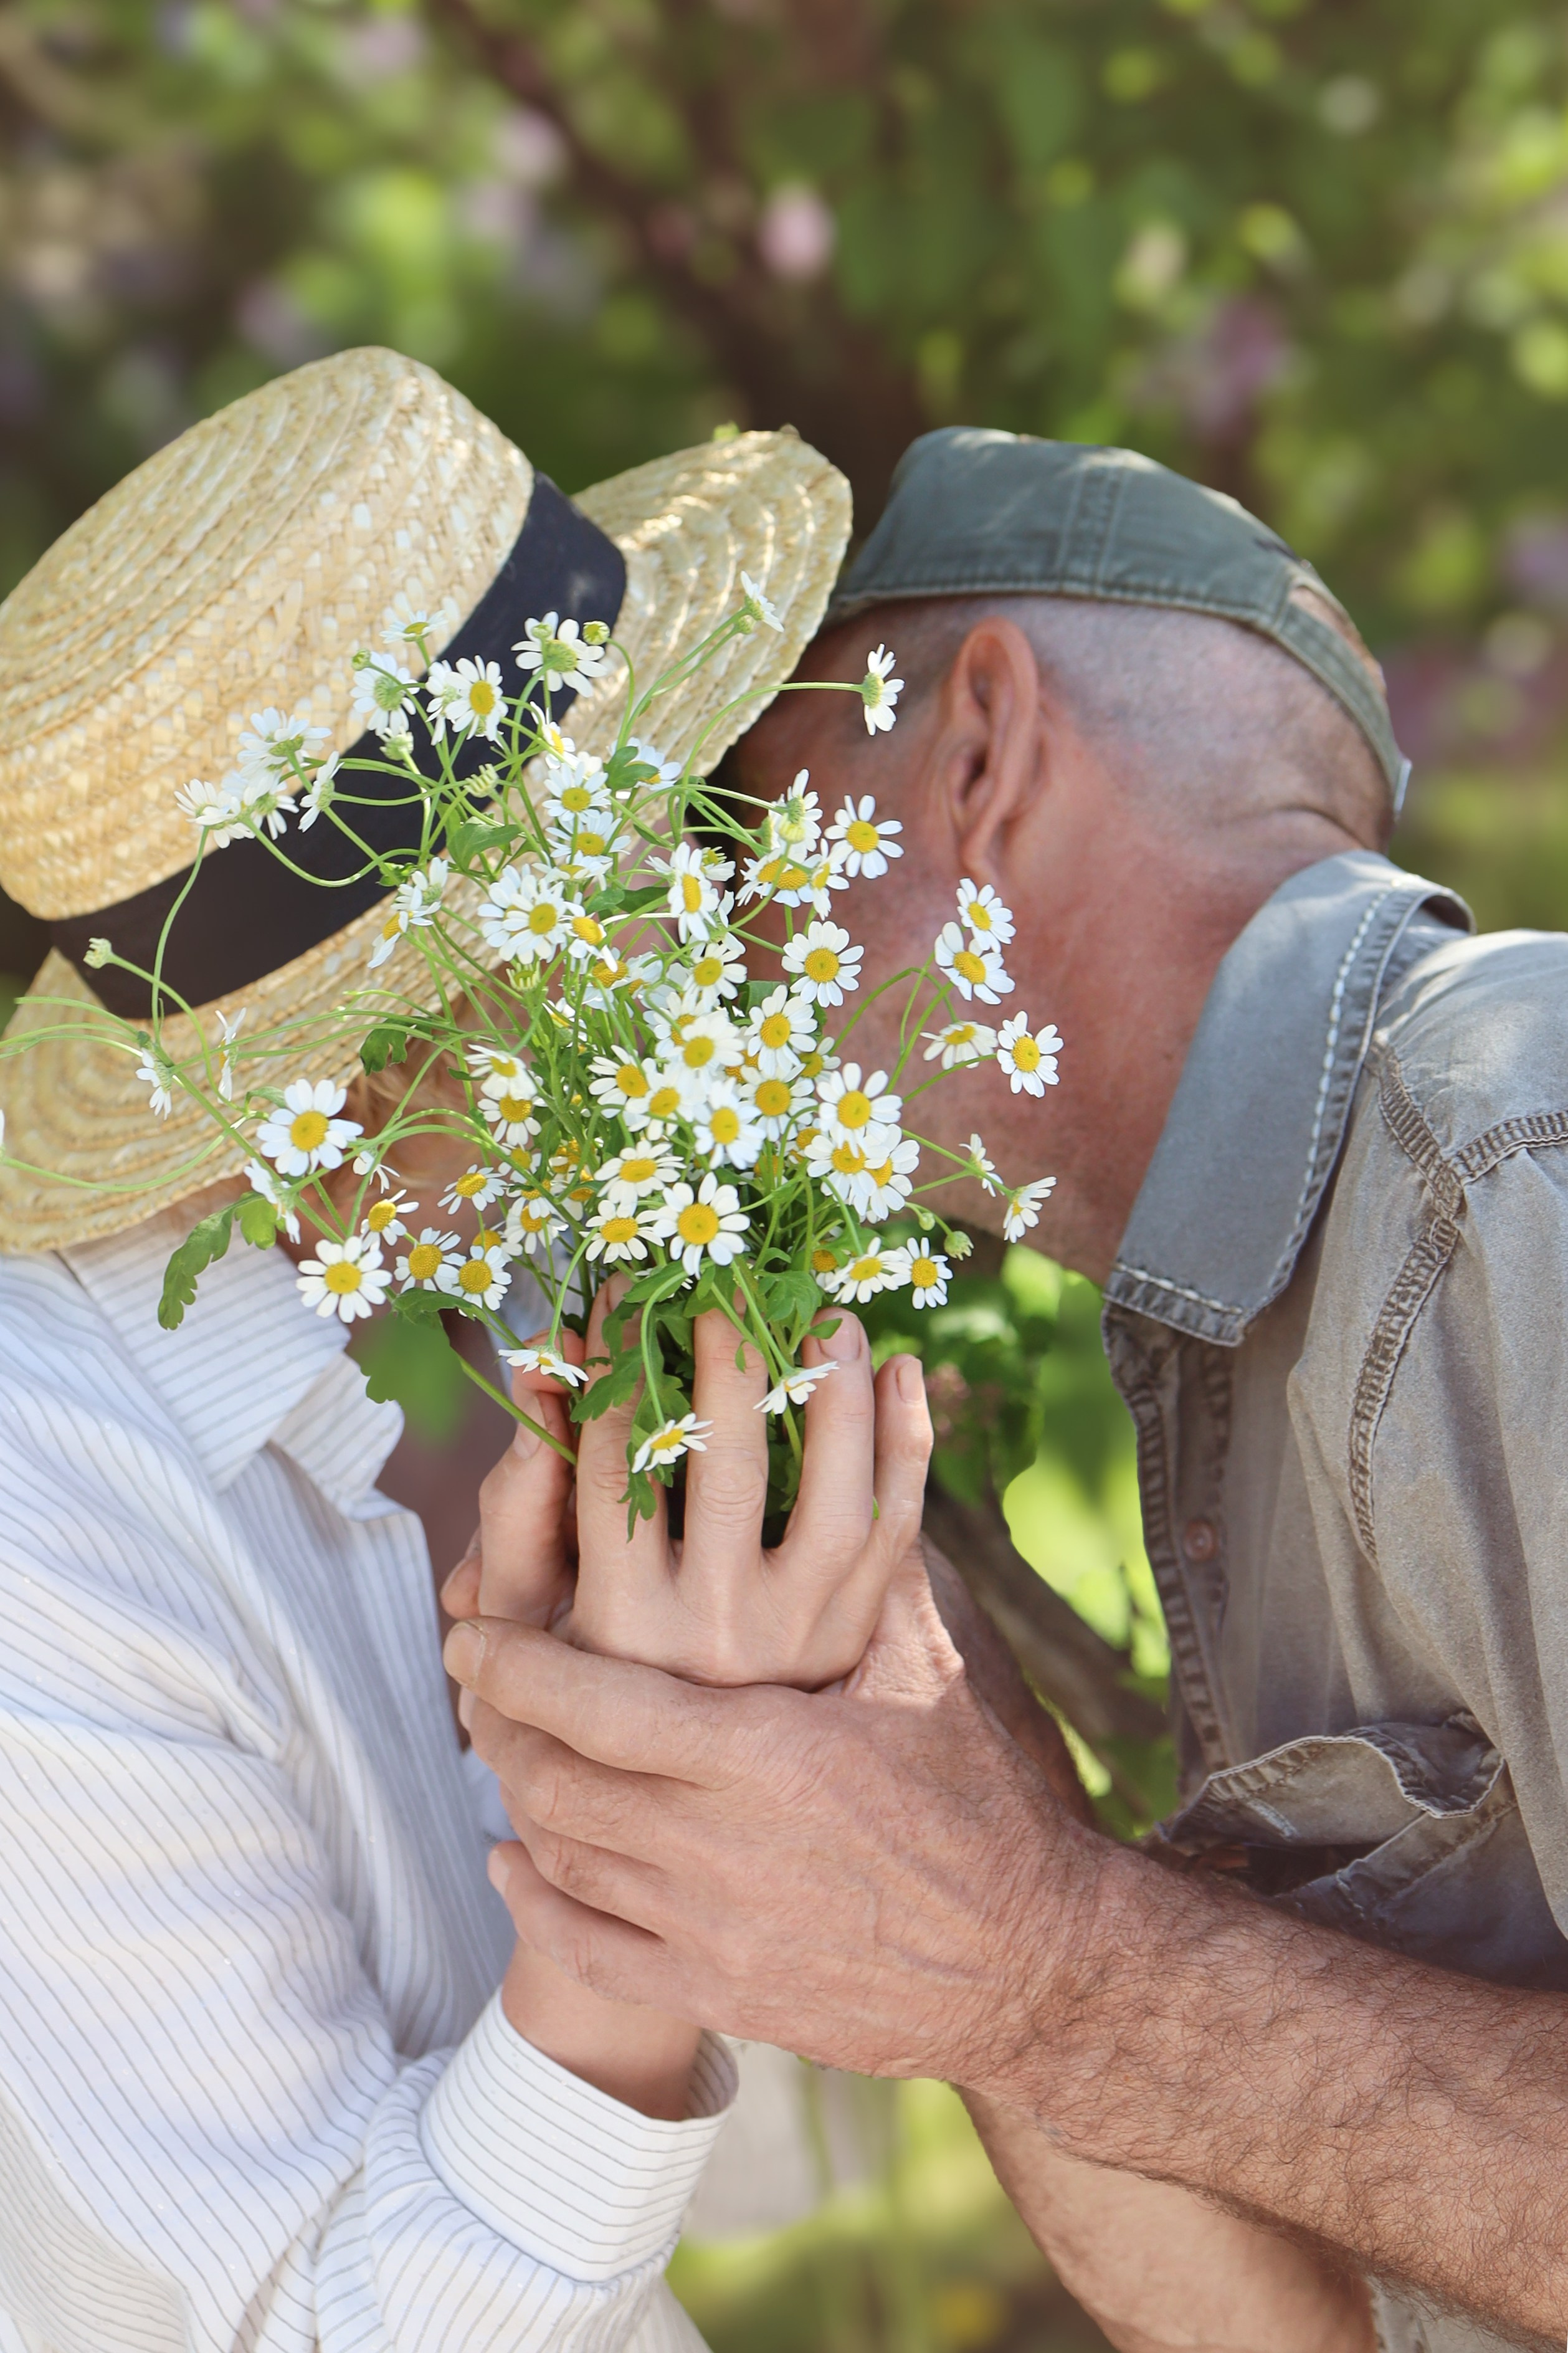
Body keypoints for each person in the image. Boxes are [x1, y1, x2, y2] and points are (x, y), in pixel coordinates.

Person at [445, 429, 1568, 2353]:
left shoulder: (1511, 1161)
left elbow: (1067, 1973)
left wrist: (1050, 1954)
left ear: (974, 752)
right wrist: (937, 1832)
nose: (704, 950)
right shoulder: (1244, 1325)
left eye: (747, 829)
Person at [0, 344, 880, 2352]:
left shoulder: (477, 1308)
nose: (698, 909)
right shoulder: (37, 1529)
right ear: (405, 1022)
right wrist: (653, 1823)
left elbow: (724, 2175)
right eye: (635, 839)